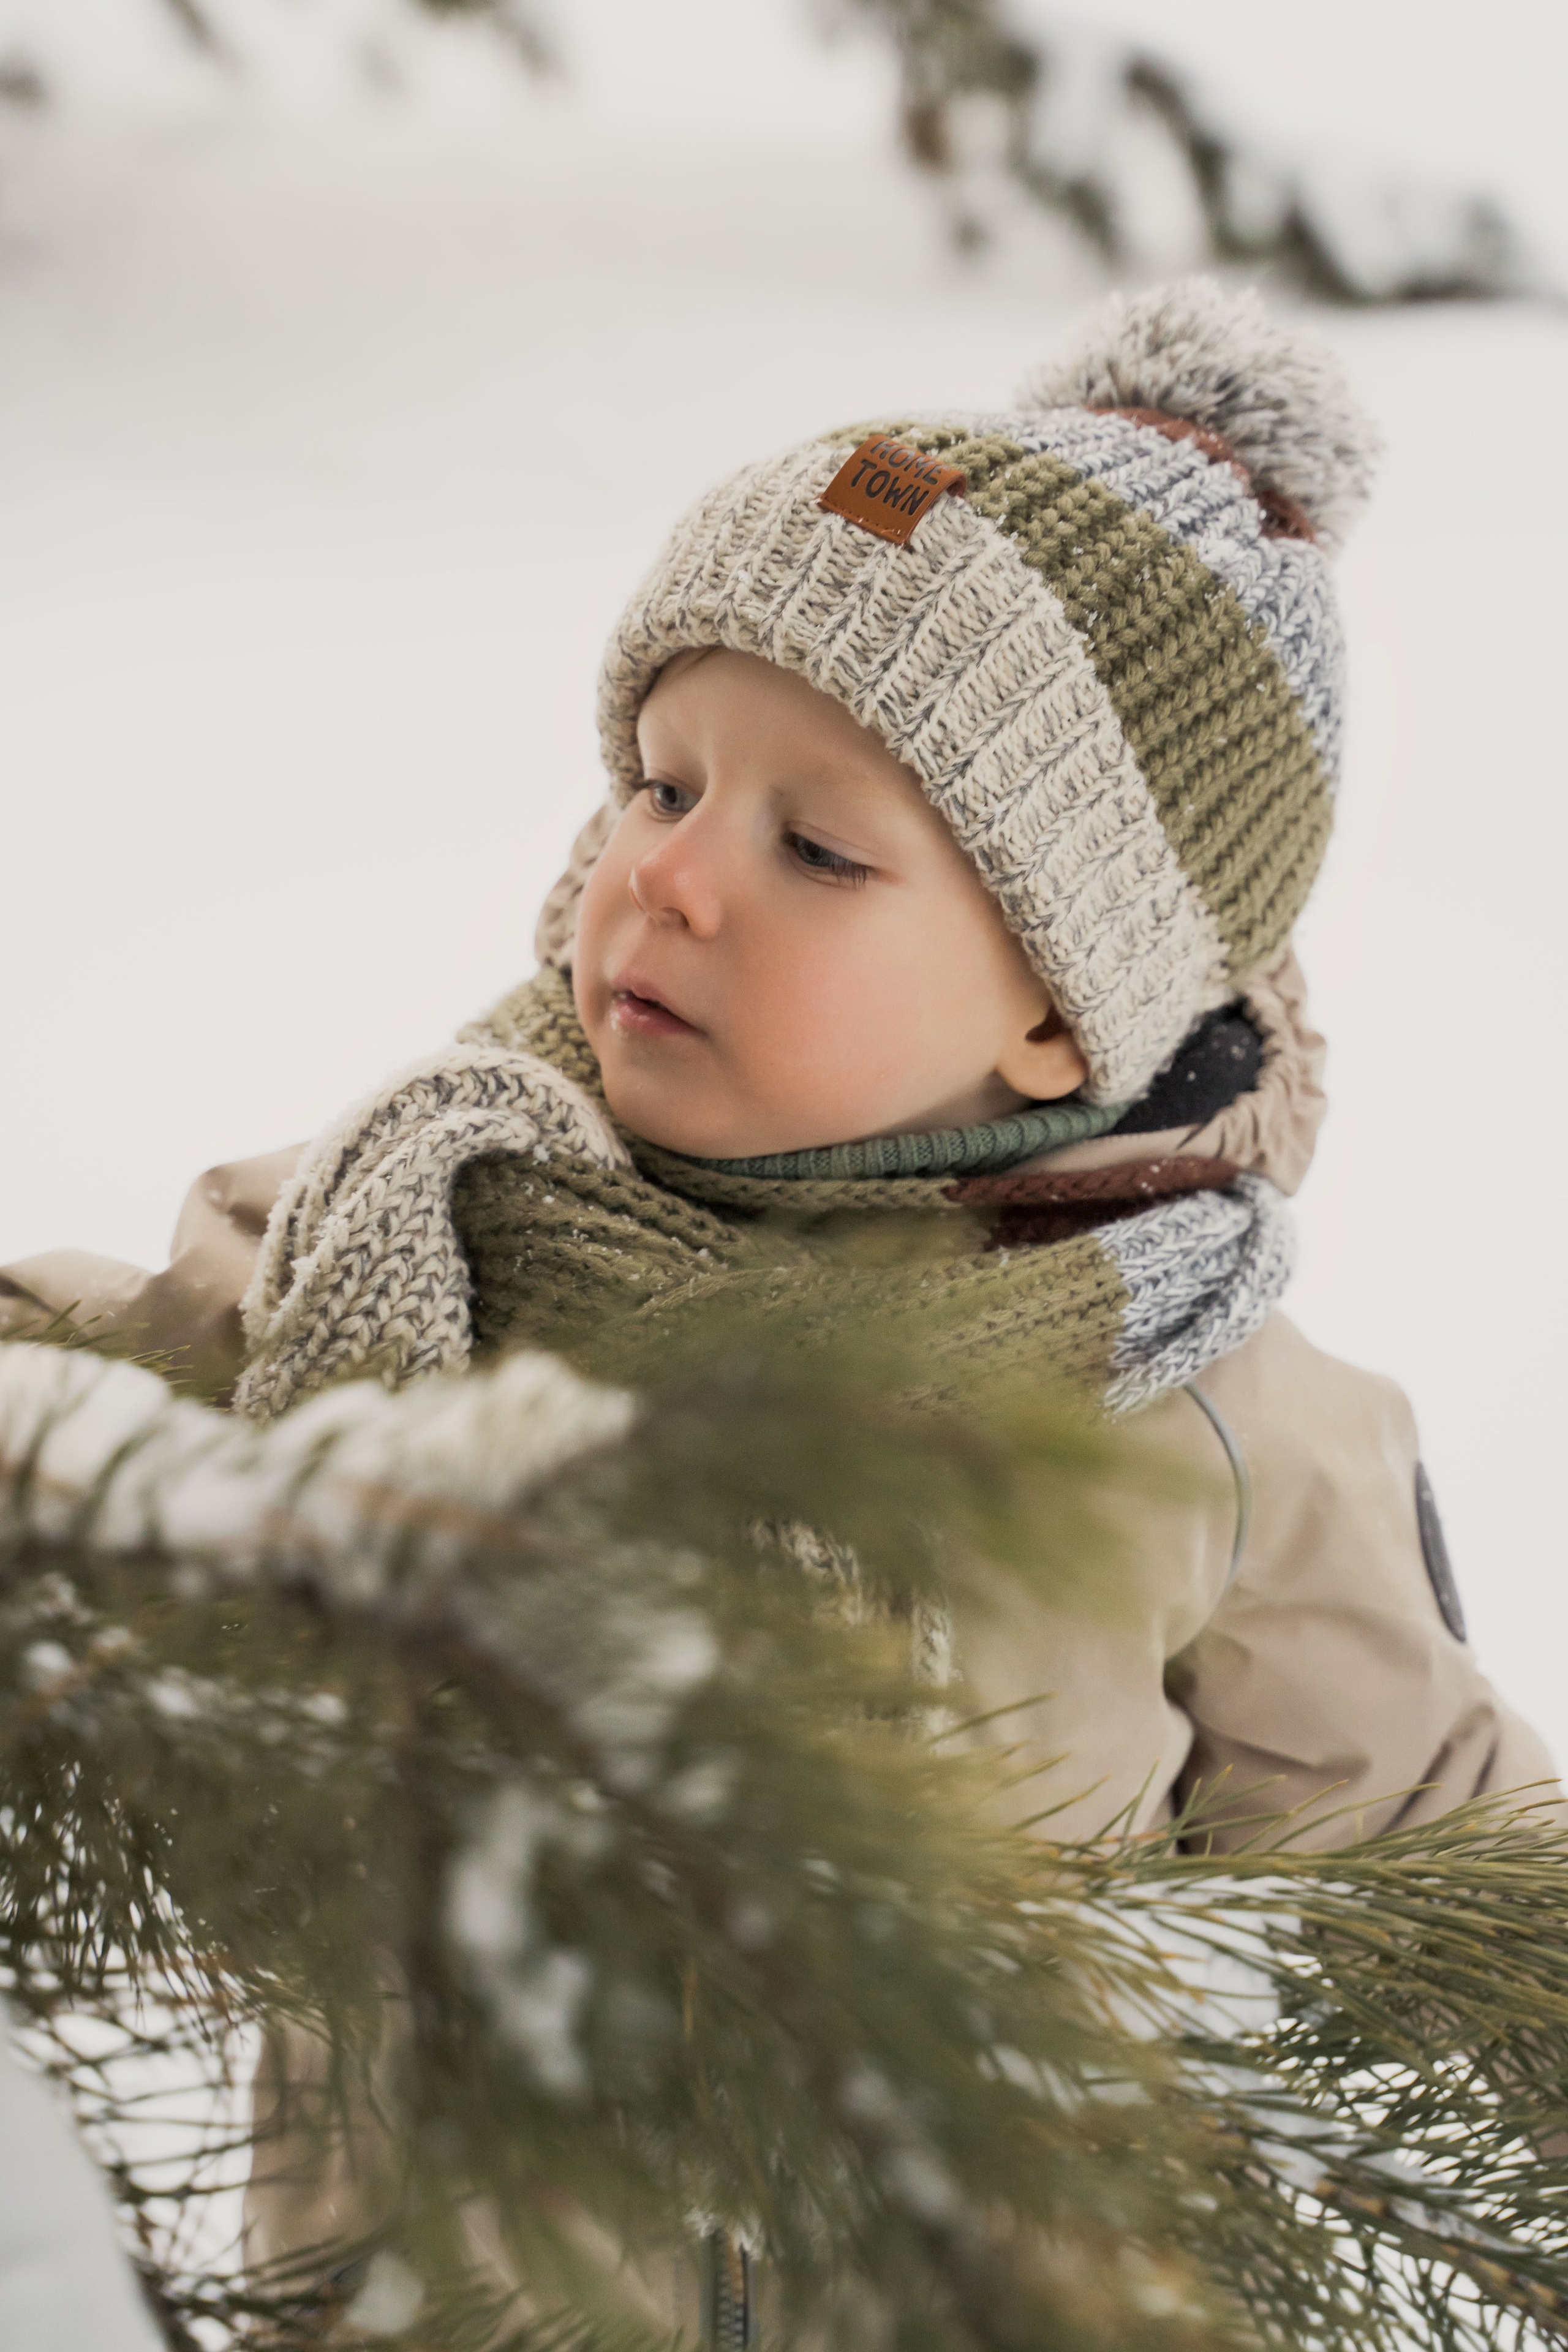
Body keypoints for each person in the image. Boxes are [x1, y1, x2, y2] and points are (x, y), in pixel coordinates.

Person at [2, 276, 1556, 2325]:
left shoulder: (1213, 1421)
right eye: (659, 783)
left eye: (819, 847)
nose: (674, 874)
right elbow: (82, 1429)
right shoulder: (424, 1221)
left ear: (1057, 1010)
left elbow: (1442, 1863)